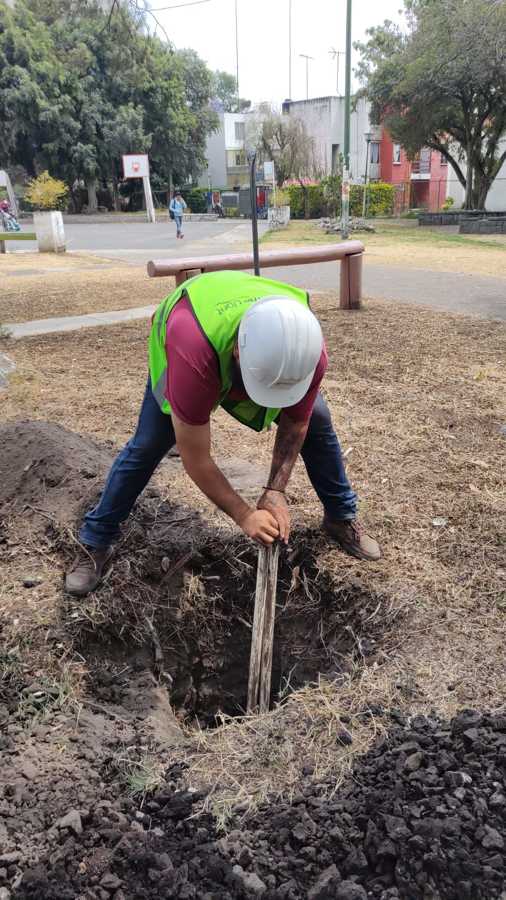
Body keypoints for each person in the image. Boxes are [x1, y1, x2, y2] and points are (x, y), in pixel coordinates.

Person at [65, 271, 381, 596]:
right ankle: (95, 539)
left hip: (236, 337)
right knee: (149, 444)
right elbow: (196, 459)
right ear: (239, 354)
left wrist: (275, 490)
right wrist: (244, 515)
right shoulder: (192, 350)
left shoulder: (306, 348)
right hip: (187, 335)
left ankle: (340, 517)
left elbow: (296, 423)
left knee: (317, 419)